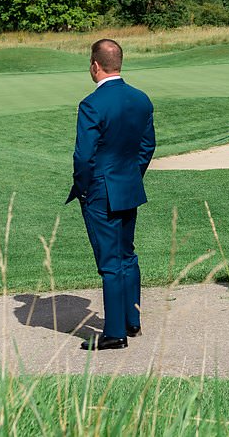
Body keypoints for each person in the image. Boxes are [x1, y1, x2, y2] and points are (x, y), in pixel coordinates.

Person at [66, 38, 155, 351]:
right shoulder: (141, 99)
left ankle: (115, 333)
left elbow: (83, 156)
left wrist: (86, 188)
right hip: (128, 186)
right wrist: (131, 175)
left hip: (100, 190)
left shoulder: (91, 104)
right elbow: (147, 147)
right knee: (127, 254)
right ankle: (133, 320)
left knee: (110, 262)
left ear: (95, 65)